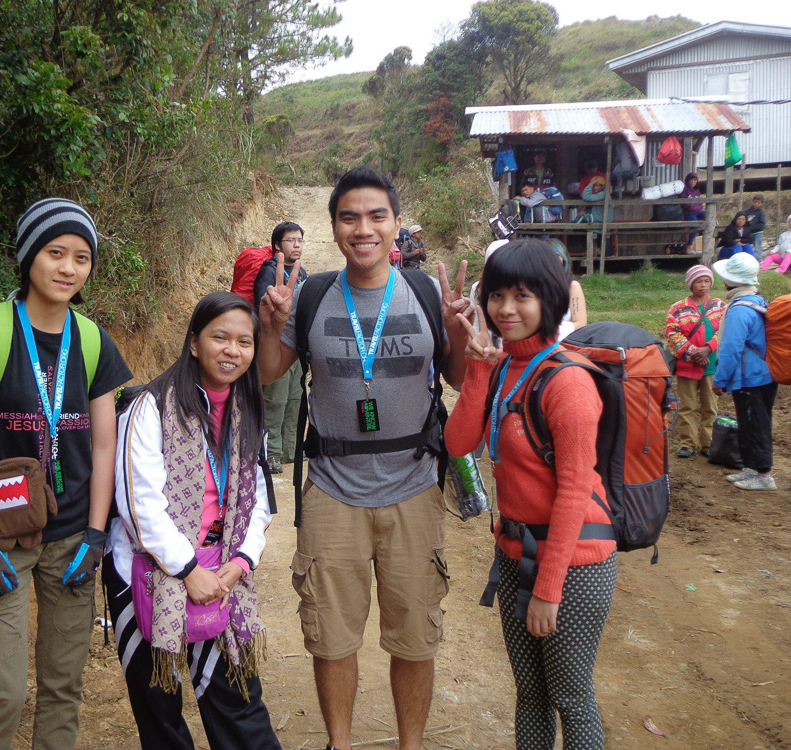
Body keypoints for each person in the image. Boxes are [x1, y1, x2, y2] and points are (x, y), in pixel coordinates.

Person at [256, 166, 472, 750]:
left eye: (377, 216)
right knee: (331, 635)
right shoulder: (313, 296)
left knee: (415, 637)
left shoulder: (425, 294)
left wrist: (456, 336)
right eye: (349, 217)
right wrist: (270, 326)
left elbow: (452, 377)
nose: (364, 228)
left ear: (397, 226)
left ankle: (410, 744)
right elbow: (271, 372)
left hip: (414, 487)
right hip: (331, 490)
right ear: (334, 227)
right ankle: (340, 744)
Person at [0, 198, 131, 749]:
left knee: (63, 687)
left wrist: (95, 533)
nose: (69, 268)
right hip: (0, 539)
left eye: (82, 257)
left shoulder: (92, 341)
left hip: (71, 540)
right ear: (28, 257)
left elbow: (102, 442)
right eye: (55, 253)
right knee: (2, 694)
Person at [445, 239, 618, 750]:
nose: (506, 308)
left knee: (571, 696)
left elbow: (573, 492)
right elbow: (459, 444)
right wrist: (478, 366)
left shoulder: (567, 382)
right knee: (530, 694)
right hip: (516, 552)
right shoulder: (503, 368)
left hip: (574, 564)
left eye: (522, 295)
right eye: (497, 295)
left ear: (549, 298)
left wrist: (548, 589)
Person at [103, 291, 280, 749]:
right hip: (147, 573)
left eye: (244, 341)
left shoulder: (249, 409)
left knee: (239, 700)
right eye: (220, 337)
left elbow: (257, 496)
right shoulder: (150, 407)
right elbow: (139, 505)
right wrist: (186, 570)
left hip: (222, 572)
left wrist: (242, 560)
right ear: (194, 342)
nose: (232, 350)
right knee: (160, 711)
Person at [711, 254, 777, 491]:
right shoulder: (757, 300)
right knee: (752, 422)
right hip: (762, 373)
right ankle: (752, 468)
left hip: (752, 376)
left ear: (731, 280)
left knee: (755, 423)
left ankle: (763, 474)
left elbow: (731, 349)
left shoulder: (739, 309)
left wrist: (719, 379)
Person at [253, 222, 309, 473]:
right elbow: (261, 307)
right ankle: (271, 452)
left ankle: (291, 450)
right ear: (277, 245)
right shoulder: (268, 271)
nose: (297, 245)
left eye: (300, 240)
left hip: (297, 347)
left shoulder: (303, 273)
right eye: (291, 240)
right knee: (275, 400)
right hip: (277, 344)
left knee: (296, 399)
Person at [665, 266, 726, 459]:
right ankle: (687, 443)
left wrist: (708, 348)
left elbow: (724, 330)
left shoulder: (719, 306)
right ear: (690, 284)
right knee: (688, 406)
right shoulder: (677, 308)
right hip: (687, 366)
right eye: (699, 281)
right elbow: (672, 334)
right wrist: (694, 353)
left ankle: (708, 443)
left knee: (710, 406)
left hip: (712, 365)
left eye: (707, 281)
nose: (703, 285)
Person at [548, 241, 588, 339]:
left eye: (556, 256)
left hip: (565, 342)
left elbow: (581, 323)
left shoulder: (572, 286)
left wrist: (555, 331)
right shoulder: (532, 286)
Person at [680, 172, 705, 254]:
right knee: (695, 227)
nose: (693, 182)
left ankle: (702, 246)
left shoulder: (697, 191)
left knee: (709, 216)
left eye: (695, 180)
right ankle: (689, 246)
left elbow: (700, 204)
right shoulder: (684, 190)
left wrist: (696, 207)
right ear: (687, 180)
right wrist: (693, 206)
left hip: (697, 212)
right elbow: (684, 204)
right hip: (688, 213)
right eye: (691, 179)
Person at [744, 194, 766, 259]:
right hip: (749, 233)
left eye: (758, 203)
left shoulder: (761, 213)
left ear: (762, 203)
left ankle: (758, 260)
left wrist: (751, 228)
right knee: (748, 247)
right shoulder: (747, 212)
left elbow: (762, 225)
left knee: (757, 247)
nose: (756, 204)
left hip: (757, 233)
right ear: (753, 201)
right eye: (755, 202)